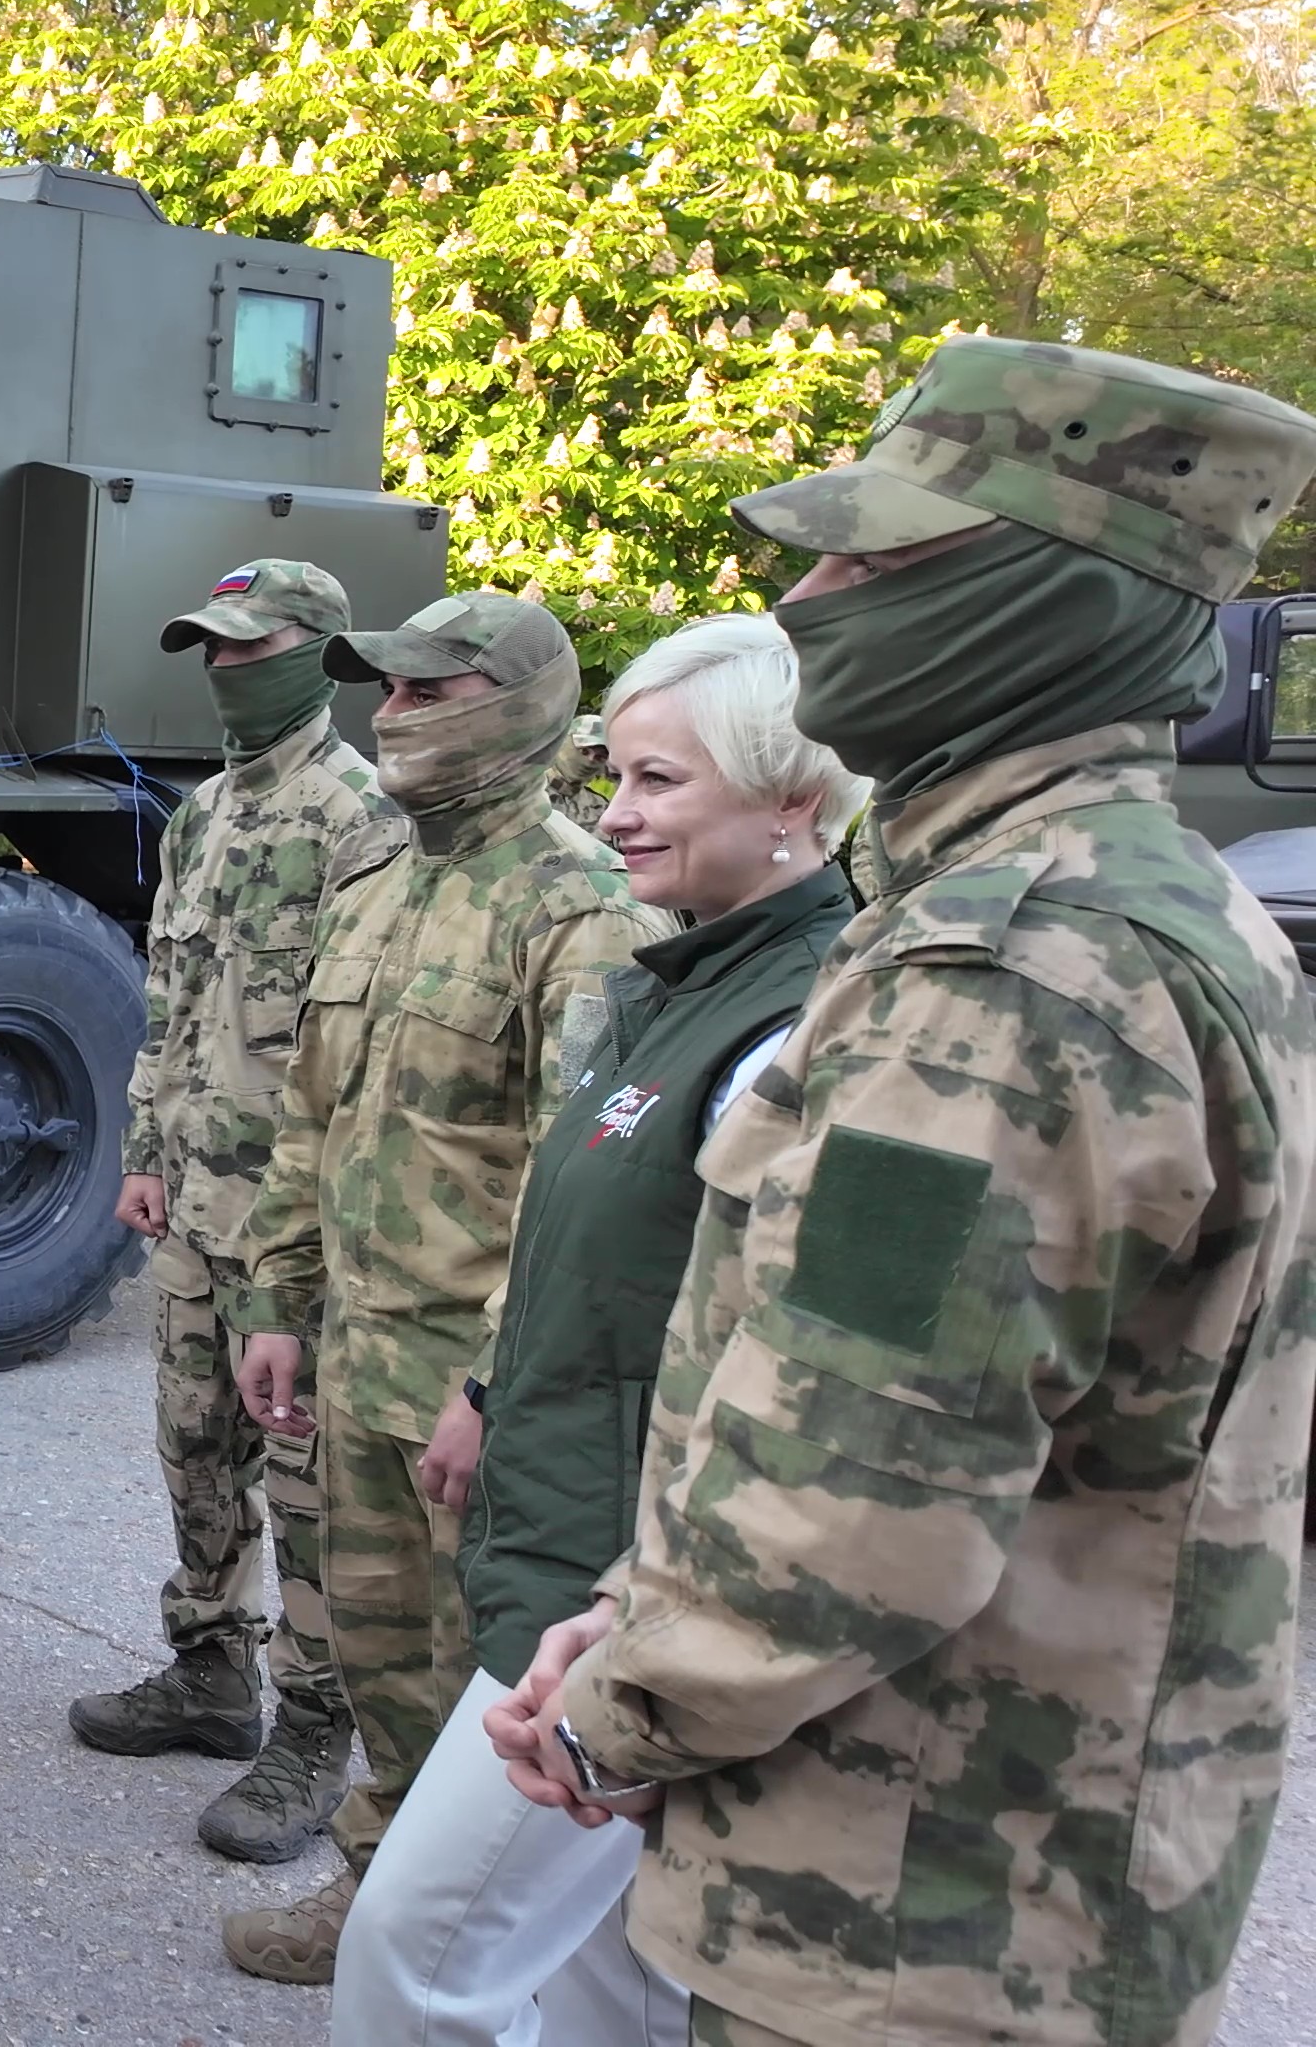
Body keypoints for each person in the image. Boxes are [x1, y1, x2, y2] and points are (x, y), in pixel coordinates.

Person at [491, 338, 1316, 2046]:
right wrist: (644, 1608)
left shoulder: (1007, 974)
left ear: (1049, 601)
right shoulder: (1147, 897)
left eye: (873, 560)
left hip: (920, 1912)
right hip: (1035, 1879)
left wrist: (628, 1707)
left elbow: (867, 1490)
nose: (811, 600)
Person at [330, 615, 862, 2045]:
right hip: (567, 1538)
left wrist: (647, 1611)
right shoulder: (672, 987)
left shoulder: (803, 1020)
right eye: (613, 777)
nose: (616, 815)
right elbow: (590, 1259)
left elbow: (810, 1370)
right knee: (608, 1977)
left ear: (792, 803)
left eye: (661, 784)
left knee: (415, 1956)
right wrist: (494, 1388)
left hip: (622, 1596)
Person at [219, 590, 664, 1982]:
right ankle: (382, 1899)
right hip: (354, 1355)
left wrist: (490, 1381)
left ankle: (508, 1945)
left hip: (469, 1388)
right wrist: (278, 1302)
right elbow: (311, 1118)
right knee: (374, 1653)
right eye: (388, 693)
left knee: (490, 1673)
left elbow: (574, 1184)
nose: (391, 717)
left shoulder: (580, 908)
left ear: (520, 708)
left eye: (428, 692)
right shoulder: (377, 888)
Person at [73, 559, 397, 1868]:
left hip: (294, 1221)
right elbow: (174, 1003)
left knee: (312, 1486)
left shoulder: (363, 818)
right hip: (197, 1200)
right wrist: (147, 1147)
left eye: (247, 647)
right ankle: (211, 1675)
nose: (221, 668)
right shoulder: (206, 814)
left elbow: (355, 1055)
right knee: (195, 1451)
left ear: (320, 652)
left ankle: (317, 1731)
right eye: (207, 647)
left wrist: (315, 1238)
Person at [549, 712, 612, 831]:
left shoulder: (601, 808)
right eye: (584, 751)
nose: (590, 760)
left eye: (600, 757)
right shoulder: (527, 794)